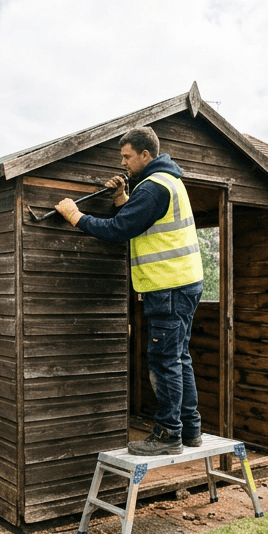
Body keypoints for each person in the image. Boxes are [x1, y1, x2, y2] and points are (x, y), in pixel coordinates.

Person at [55, 126, 203, 456]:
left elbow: (121, 230)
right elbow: (141, 220)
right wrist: (122, 198)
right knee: (179, 357)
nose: (123, 163)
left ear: (145, 155)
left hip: (168, 287)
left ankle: (168, 434)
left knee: (164, 360)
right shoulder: (167, 181)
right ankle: (190, 428)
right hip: (183, 283)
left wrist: (75, 216)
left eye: (126, 157)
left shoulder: (153, 188)